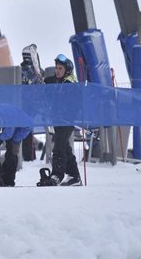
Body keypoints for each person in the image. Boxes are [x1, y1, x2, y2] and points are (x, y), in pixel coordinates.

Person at [38, 54, 83, 186]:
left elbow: (72, 103)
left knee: (58, 147)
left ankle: (57, 175)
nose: (57, 71)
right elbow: (48, 82)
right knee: (65, 147)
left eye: (60, 68)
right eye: (56, 68)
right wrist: (40, 83)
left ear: (66, 70)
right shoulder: (57, 80)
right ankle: (75, 176)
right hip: (58, 120)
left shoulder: (70, 83)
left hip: (66, 120)